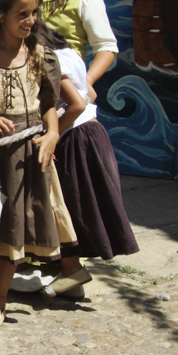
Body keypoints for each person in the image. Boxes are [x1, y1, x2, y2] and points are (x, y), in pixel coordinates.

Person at [0, 0, 75, 330]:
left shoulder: (41, 55)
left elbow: (48, 106)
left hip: (26, 153)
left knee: (15, 223)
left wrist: (53, 133)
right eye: (21, 14)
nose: (30, 21)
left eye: (34, 13)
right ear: (1, 16)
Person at [41, 25, 139, 295]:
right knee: (81, 203)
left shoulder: (51, 59)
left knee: (67, 205)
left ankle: (72, 269)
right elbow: (90, 94)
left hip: (75, 137)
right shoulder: (70, 53)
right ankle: (69, 273)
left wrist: (52, 133)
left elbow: (77, 104)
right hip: (93, 132)